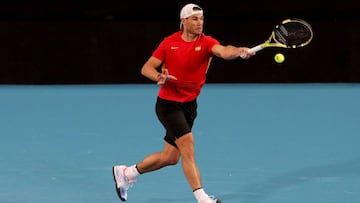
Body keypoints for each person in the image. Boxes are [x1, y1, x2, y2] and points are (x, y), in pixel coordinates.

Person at [112, 3, 254, 203]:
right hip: (168, 104)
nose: (200, 23)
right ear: (183, 21)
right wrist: (159, 77)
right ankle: (202, 198)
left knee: (170, 157)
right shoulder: (169, 43)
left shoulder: (206, 43)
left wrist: (239, 51)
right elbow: (146, 68)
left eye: (202, 19)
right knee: (188, 145)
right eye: (195, 19)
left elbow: (223, 51)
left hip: (189, 106)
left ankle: (127, 173)